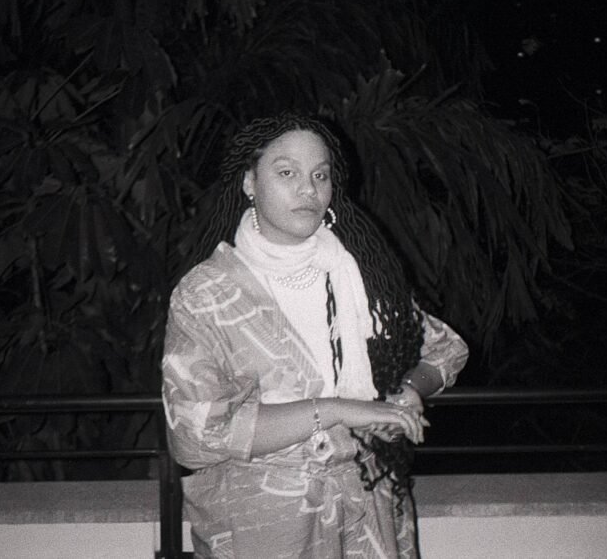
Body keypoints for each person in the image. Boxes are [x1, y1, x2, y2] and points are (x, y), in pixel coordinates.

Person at [161, 113, 469, 558]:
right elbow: (195, 437)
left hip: (367, 510)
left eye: (319, 175)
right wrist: (339, 410)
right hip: (266, 526)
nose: (308, 189)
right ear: (249, 182)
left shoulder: (359, 275)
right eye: (287, 173)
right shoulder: (208, 293)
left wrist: (405, 392)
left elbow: (446, 348)